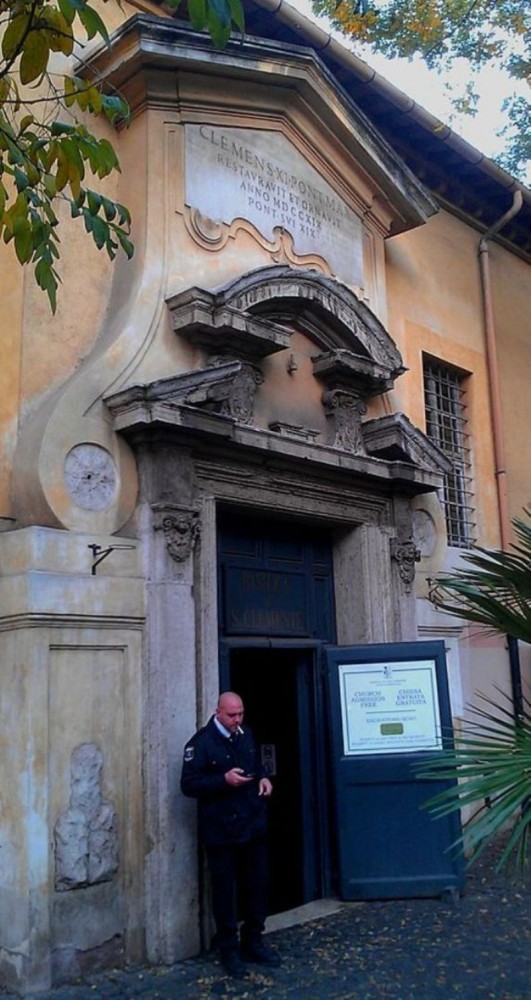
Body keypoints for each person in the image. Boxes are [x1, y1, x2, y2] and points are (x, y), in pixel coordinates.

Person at [181, 691, 281, 978]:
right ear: (218, 712)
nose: (237, 720)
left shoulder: (245, 734)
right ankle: (229, 949)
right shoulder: (200, 743)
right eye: (232, 715)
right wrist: (223, 780)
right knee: (225, 893)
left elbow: (257, 764)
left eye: (241, 714)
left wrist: (262, 778)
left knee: (257, 885)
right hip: (221, 831)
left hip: (252, 825)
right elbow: (188, 785)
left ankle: (254, 940)